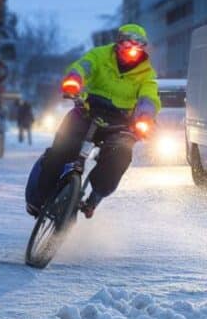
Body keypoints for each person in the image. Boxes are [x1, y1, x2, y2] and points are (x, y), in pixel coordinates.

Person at [24, 24, 160, 219]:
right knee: (60, 152)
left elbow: (150, 97)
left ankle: (95, 197)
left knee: (120, 155)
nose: (131, 51)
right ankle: (40, 199)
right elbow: (82, 67)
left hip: (120, 124)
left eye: (137, 46)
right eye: (127, 44)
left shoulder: (147, 74)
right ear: (118, 43)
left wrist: (145, 117)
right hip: (87, 112)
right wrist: (73, 81)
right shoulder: (99, 55)